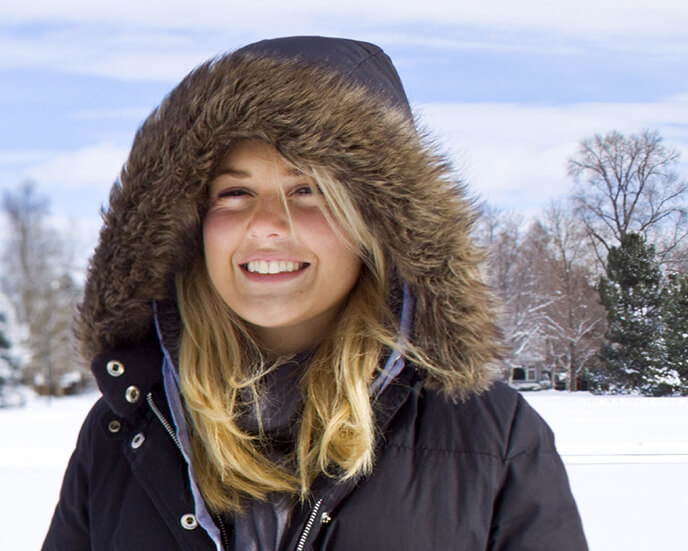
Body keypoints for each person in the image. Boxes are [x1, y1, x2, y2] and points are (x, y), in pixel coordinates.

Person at [42, 36, 588, 550]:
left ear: (379, 222)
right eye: (235, 192)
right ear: (188, 225)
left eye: (309, 190)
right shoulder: (125, 427)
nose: (267, 225)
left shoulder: (493, 436)